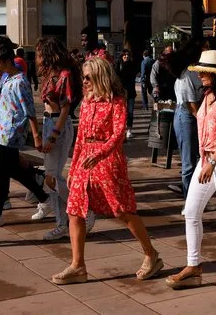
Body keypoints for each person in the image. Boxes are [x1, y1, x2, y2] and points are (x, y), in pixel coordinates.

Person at [51, 57, 163, 284]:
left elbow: (119, 134)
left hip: (108, 160)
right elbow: (81, 137)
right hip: (85, 159)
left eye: (87, 77)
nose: (84, 81)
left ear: (100, 76)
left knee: (121, 210)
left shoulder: (116, 102)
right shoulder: (86, 103)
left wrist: (100, 153)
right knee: (74, 210)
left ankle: (151, 254)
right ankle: (77, 265)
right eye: (82, 77)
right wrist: (73, 168)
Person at [165, 50, 216, 289]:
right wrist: (207, 162)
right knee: (191, 211)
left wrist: (212, 163)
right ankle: (193, 266)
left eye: (204, 71)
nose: (200, 75)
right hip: (208, 161)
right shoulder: (210, 95)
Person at [0, 36, 52, 229]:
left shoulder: (19, 81)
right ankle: (44, 197)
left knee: (1, 172)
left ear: (6, 61)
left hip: (11, 132)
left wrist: (36, 134)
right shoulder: (6, 79)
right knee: (11, 170)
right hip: (1, 130)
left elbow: (29, 109)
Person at [36, 37, 90, 241]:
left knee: (53, 177)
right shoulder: (50, 74)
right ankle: (63, 221)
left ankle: (80, 211)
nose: (38, 58)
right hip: (49, 121)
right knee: (50, 177)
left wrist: (53, 135)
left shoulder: (64, 75)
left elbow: (66, 108)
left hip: (58, 123)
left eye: (40, 53)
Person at [163, 39, 204, 198]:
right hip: (186, 114)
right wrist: (202, 119)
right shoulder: (186, 75)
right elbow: (190, 103)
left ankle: (195, 195)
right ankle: (190, 198)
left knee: (195, 158)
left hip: (195, 113)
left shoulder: (196, 72)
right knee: (188, 161)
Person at [114, 50, 138, 139]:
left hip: (131, 92)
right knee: (121, 112)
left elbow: (134, 75)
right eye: (125, 55)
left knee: (130, 112)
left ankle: (129, 130)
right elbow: (115, 77)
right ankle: (121, 130)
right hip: (121, 92)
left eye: (128, 55)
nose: (126, 56)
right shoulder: (118, 64)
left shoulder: (132, 65)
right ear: (122, 56)